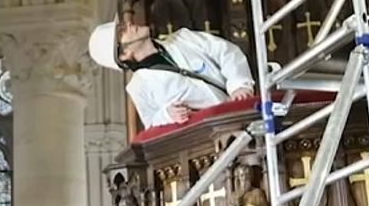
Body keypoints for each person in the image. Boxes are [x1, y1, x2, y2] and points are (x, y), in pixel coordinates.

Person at [88, 17, 256, 128]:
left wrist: (239, 85)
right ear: (124, 54)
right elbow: (152, 124)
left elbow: (226, 51)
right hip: (213, 134)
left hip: (245, 110)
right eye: (122, 31)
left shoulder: (183, 38)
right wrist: (167, 114)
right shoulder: (138, 87)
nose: (130, 24)